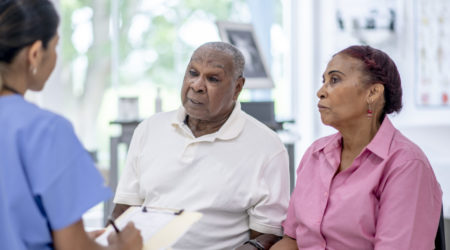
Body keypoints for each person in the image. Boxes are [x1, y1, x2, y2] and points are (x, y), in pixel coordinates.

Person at [112, 42, 290, 249]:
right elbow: (124, 208)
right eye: (192, 73)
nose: (197, 85)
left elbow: (267, 235)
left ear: (237, 88)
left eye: (212, 79)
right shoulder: (149, 129)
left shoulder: (267, 147)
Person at [0, 1, 142, 249]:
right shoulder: (46, 130)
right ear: (35, 53)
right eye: (55, 46)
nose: (55, 56)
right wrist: (122, 247)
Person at [271, 45, 443, 250]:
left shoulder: (406, 165)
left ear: (373, 93)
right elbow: (292, 239)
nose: (320, 92)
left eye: (334, 80)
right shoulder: (315, 155)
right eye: (323, 81)